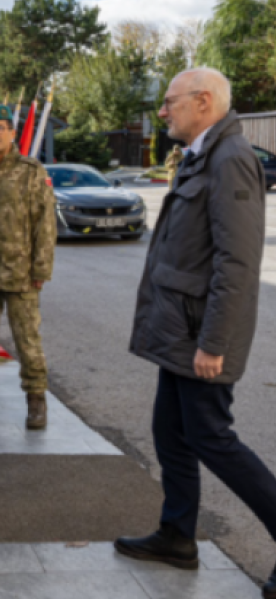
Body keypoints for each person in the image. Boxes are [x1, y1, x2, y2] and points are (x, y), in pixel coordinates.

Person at [115, 67, 276, 599]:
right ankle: (177, 536)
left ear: (203, 101)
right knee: (170, 433)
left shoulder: (231, 161)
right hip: (179, 330)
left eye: (170, 102)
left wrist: (215, 342)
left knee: (212, 438)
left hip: (200, 336)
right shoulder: (204, 154)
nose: (163, 111)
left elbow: (237, 264)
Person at [0, 105, 56, 429]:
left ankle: (36, 401)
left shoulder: (31, 171)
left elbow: (45, 224)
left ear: (12, 133)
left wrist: (40, 270)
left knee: (28, 341)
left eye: (0, 128)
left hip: (20, 274)